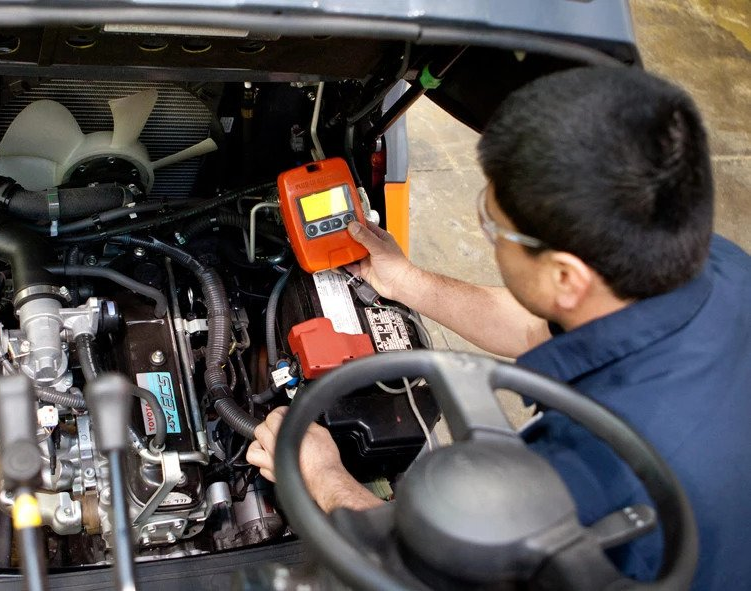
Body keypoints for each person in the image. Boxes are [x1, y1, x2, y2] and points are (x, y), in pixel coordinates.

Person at [246, 66, 751, 590]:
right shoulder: (715, 265)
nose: (488, 235)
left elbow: (430, 578)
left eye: (494, 226)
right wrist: (406, 281)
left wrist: (320, 476)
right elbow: (536, 326)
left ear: (566, 276)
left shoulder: (586, 478)